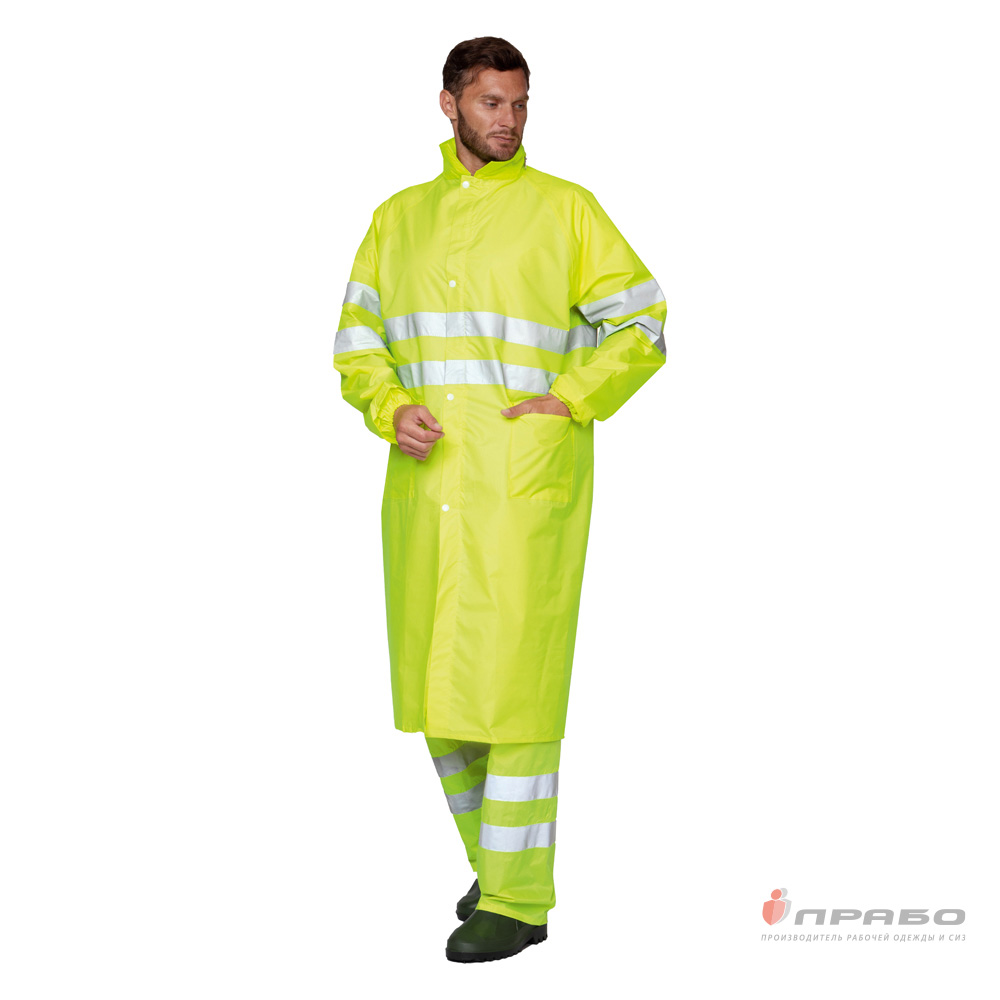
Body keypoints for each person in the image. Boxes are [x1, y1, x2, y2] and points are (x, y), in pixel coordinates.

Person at [333, 36, 667, 962]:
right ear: (449, 104)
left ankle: (519, 900)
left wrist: (572, 397)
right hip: (427, 487)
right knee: (438, 689)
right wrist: (389, 408)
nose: (508, 121)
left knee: (514, 694)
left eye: (520, 104)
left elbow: (643, 319)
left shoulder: (565, 210)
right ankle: (494, 860)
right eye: (490, 103)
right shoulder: (397, 219)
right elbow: (358, 339)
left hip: (524, 492)